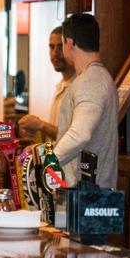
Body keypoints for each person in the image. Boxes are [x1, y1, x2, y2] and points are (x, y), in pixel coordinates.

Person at [53, 13, 118, 189]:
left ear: (69, 42)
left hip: (88, 194)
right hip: (89, 191)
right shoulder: (96, 77)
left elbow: (80, 134)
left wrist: (49, 162)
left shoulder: (91, 82)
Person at [18, 26, 75, 141]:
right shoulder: (60, 86)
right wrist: (36, 132)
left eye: (60, 47)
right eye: (51, 47)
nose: (55, 53)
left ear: (72, 49)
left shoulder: (80, 88)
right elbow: (54, 141)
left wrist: (41, 125)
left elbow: (73, 139)